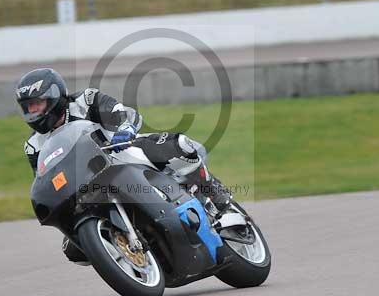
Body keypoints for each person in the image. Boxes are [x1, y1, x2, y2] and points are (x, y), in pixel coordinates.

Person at [16, 67, 233, 264]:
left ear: (54, 96)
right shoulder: (33, 146)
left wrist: (124, 130)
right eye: (28, 107)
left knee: (181, 146)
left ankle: (215, 194)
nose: (33, 111)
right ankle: (123, 246)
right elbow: (44, 175)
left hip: (124, 152)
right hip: (88, 182)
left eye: (37, 104)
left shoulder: (86, 100)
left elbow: (123, 114)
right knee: (73, 250)